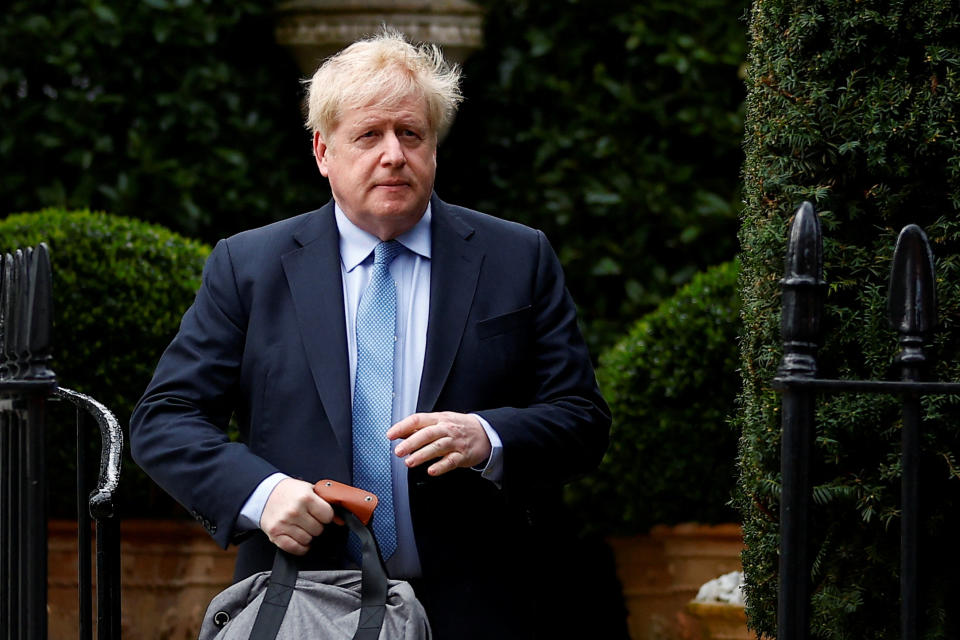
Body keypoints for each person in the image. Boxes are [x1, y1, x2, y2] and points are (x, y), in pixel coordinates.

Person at [130, 30, 610, 639]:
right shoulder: (249, 267)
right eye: (369, 135)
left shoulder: (516, 257)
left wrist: (488, 436)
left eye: (411, 134)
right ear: (323, 151)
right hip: (303, 606)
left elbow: (583, 419)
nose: (393, 154)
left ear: (433, 145)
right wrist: (262, 492)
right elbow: (164, 417)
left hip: (476, 608)